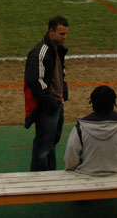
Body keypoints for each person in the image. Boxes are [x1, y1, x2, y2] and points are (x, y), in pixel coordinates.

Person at [24, 16, 69, 171]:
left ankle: (50, 177)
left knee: (51, 143)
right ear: (51, 32)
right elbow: (36, 81)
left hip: (56, 103)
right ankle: (38, 182)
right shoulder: (40, 52)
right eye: (62, 34)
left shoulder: (57, 50)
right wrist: (51, 103)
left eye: (66, 34)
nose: (65, 37)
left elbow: (60, 73)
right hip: (47, 107)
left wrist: (63, 95)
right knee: (44, 146)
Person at [64, 85, 117, 176]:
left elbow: (71, 156)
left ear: (92, 102)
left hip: (86, 174)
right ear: (113, 102)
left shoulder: (80, 127)